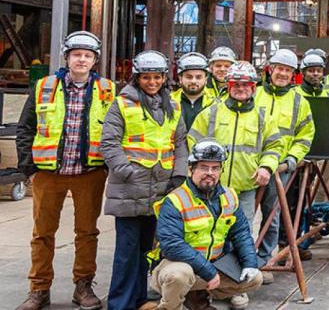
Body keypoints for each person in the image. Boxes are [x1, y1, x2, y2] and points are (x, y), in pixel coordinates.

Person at [15, 31, 116, 310]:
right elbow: (25, 128)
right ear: (67, 57)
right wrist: (29, 169)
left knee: (87, 233)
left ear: (94, 60)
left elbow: (116, 130)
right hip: (48, 173)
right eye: (77, 55)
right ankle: (39, 290)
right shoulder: (44, 86)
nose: (82, 59)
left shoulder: (108, 90)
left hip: (89, 173)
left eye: (87, 55)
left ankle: (83, 286)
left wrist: (106, 167)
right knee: (43, 233)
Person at [188, 61, 284, 309]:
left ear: (254, 87)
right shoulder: (211, 113)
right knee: (207, 236)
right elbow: (192, 143)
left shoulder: (264, 117)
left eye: (246, 85)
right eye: (236, 84)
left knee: (241, 238)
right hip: (210, 190)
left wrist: (266, 167)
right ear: (228, 86)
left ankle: (236, 289)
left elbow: (275, 146)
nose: (241, 88)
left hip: (243, 189)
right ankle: (204, 286)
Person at [100, 50, 188, 310]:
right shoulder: (123, 104)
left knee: (146, 251)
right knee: (126, 252)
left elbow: (180, 142)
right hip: (130, 187)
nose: (152, 82)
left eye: (157, 77)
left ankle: (139, 297)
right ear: (136, 78)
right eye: (146, 77)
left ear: (164, 78)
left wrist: (179, 173)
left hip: (161, 188)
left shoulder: (173, 105)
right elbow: (109, 142)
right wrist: (125, 170)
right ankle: (119, 304)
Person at [150, 139, 263, 310]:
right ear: (191, 169)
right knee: (179, 276)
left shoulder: (230, 196)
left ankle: (199, 296)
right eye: (204, 167)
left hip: (213, 266)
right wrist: (208, 272)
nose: (210, 172)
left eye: (215, 168)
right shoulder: (175, 200)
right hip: (176, 266)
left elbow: (241, 233)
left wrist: (249, 263)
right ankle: (170, 306)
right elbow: (172, 245)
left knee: (255, 278)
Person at [254, 49, 315, 267]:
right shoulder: (254, 94)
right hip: (250, 166)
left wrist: (291, 159)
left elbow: (305, 137)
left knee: (272, 214)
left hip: (280, 169)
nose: (282, 73)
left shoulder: (300, 102)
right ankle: (237, 259)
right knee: (241, 215)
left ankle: (264, 259)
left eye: (287, 70)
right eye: (279, 68)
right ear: (270, 69)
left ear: (293, 75)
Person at [173, 52, 217, 131]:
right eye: (189, 77)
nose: (193, 81)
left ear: (206, 79)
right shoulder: (169, 102)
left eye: (198, 77)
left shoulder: (215, 103)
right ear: (180, 78)